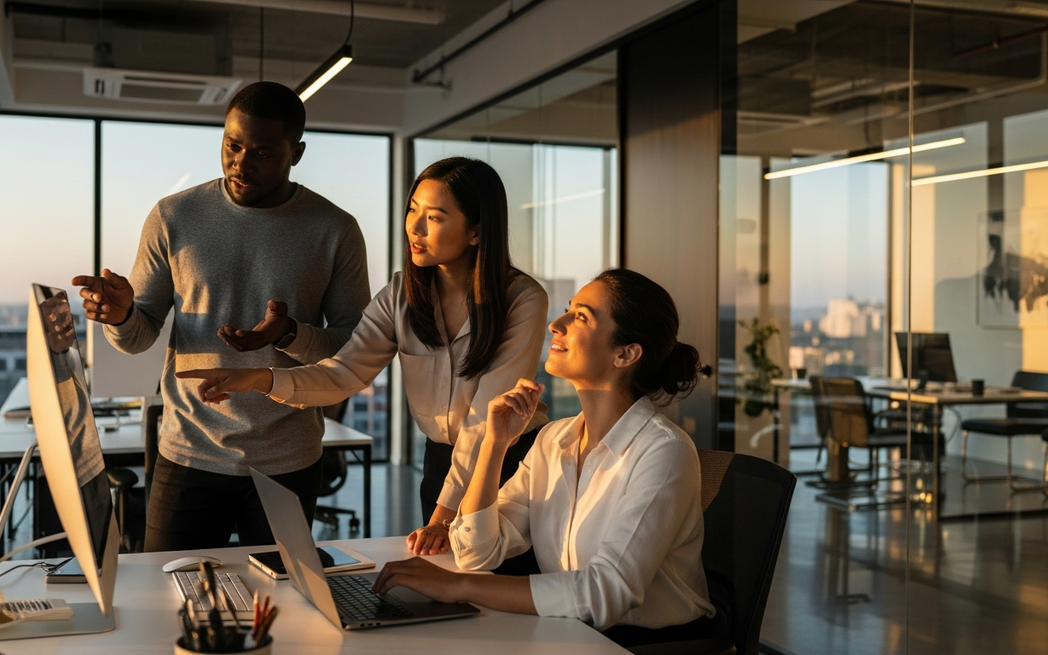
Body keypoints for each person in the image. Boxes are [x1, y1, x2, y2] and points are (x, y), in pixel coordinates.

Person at [176, 157, 550, 557]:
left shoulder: (522, 301)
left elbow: (483, 419)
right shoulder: (402, 294)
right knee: (451, 593)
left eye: (435, 217)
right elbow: (345, 372)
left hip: (508, 464)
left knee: (501, 595)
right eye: (412, 210)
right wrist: (259, 379)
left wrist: (443, 517)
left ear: (476, 232)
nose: (415, 228)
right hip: (441, 463)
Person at [71, 81, 371, 551]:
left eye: (264, 153)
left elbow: (354, 347)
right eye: (232, 145)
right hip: (188, 451)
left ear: (297, 152)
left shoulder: (335, 230)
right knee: (167, 603)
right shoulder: (173, 216)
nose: (241, 163)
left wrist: (289, 334)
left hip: (287, 459)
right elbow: (137, 337)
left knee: (284, 606)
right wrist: (122, 314)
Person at [368, 269, 725, 648]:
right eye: (569, 310)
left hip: (650, 645)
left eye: (581, 317)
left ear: (625, 353)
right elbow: (477, 551)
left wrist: (457, 587)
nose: (557, 324)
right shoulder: (554, 440)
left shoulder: (664, 452)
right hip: (573, 631)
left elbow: (602, 595)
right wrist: (494, 444)